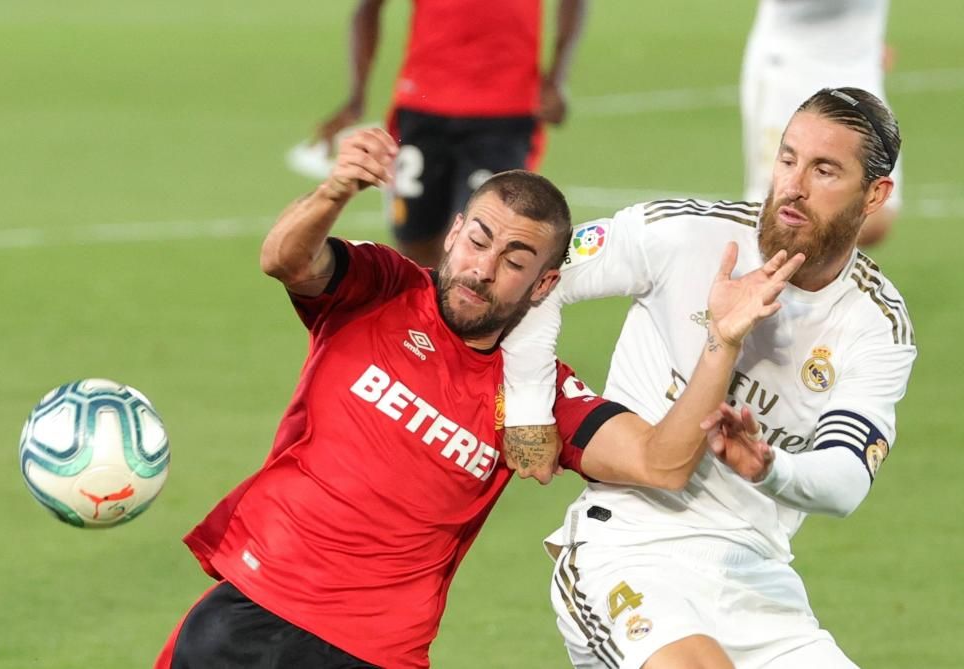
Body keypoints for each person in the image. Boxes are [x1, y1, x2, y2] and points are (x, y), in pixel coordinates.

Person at [152, 127, 803, 669]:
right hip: (248, 604)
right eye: (479, 240)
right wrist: (337, 188)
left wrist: (720, 341)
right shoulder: (380, 287)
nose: (484, 268)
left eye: (515, 260)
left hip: (372, 650)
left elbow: (662, 462)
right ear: (454, 231)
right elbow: (285, 260)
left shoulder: (538, 390)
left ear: (545, 282)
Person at [504, 87, 916, 667]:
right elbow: (529, 278)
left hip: (758, 582)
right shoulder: (683, 235)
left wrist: (773, 468)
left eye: (825, 170)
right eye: (788, 157)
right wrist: (525, 406)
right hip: (629, 549)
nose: (793, 185)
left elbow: (846, 477)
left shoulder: (874, 324)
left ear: (875, 194)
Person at [316, 0, 588, 268]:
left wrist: (557, 79)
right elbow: (368, 9)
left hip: (503, 112)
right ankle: (423, 313)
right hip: (422, 108)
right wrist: (357, 96)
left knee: (480, 244)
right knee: (414, 245)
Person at [741, 0, 901, 246]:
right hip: (792, 71)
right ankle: (753, 277)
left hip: (857, 63)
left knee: (874, 215)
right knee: (782, 212)